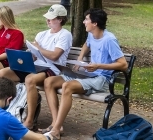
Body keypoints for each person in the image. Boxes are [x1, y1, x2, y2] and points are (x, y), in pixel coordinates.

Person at [41, 8, 128, 139]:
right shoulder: (92, 34)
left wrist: (99, 65)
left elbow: (123, 64)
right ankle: (55, 123)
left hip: (101, 79)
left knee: (67, 86)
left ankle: (56, 130)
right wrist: (80, 59)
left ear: (95, 23)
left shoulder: (109, 40)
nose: (83, 22)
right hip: (89, 75)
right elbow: (87, 45)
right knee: (49, 81)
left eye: (86, 19)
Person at [0, 4, 72, 130]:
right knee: (1, 74)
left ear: (60, 19)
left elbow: (54, 56)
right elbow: (35, 55)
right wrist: (25, 56)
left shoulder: (65, 35)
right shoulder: (41, 34)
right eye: (47, 18)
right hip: (35, 66)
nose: (48, 20)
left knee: (30, 80)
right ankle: (4, 111)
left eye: (51, 18)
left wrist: (38, 48)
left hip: (52, 68)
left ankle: (29, 120)